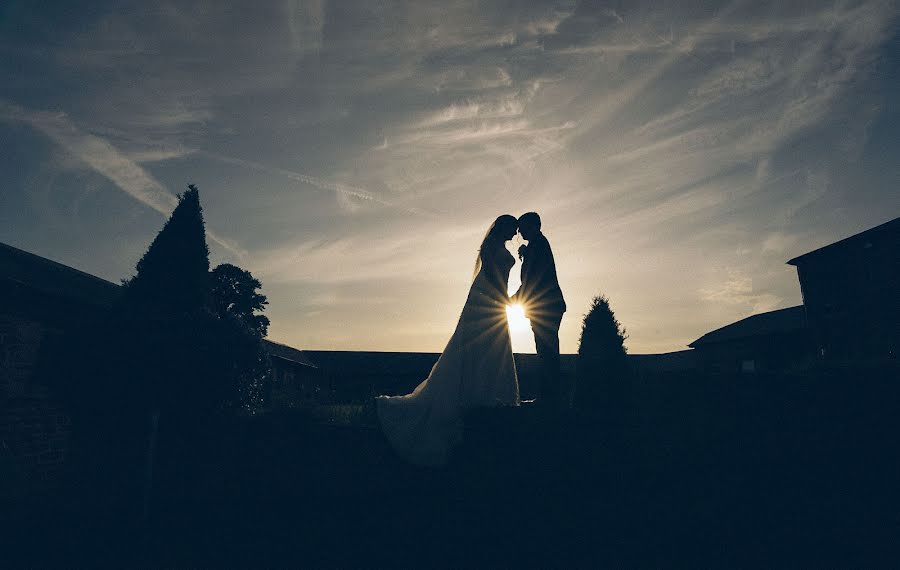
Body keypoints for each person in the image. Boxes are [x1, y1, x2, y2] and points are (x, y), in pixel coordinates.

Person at [376, 215, 521, 466]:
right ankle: (474, 393)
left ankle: (490, 391)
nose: (515, 232)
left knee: (494, 346)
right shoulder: (490, 248)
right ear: (503, 227)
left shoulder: (504, 249)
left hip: (497, 300)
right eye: (513, 227)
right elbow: (492, 276)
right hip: (487, 300)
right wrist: (504, 300)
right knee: (481, 345)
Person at [511, 212, 566, 409]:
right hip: (547, 306)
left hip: (546, 308)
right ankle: (549, 396)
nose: (519, 231)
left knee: (547, 353)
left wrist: (513, 299)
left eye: (522, 227)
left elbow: (532, 280)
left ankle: (549, 398)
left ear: (533, 226)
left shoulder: (538, 245)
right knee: (546, 352)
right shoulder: (537, 245)